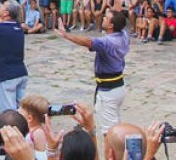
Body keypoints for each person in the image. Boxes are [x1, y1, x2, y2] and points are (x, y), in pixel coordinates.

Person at [55, 9, 130, 138]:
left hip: (108, 91)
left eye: (106, 18)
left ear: (111, 25)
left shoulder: (106, 43)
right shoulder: (123, 34)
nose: (103, 18)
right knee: (115, 124)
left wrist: (66, 35)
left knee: (109, 132)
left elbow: (87, 42)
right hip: (119, 87)